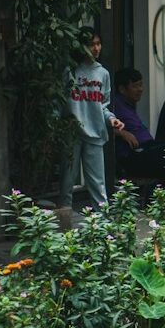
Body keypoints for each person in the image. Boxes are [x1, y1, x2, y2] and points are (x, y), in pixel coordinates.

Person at [60, 27, 122, 209]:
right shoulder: (70, 70)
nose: (96, 48)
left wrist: (111, 119)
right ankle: (65, 225)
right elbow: (59, 101)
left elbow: (103, 105)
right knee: (66, 183)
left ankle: (102, 227)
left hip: (95, 132)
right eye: (91, 44)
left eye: (98, 44)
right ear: (81, 46)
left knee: (97, 184)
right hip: (72, 132)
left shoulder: (103, 73)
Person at [111, 67, 165, 181]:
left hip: (147, 149)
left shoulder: (129, 104)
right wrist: (122, 133)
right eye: (135, 86)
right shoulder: (115, 105)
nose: (140, 89)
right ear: (122, 89)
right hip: (134, 155)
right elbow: (101, 125)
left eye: (141, 85)